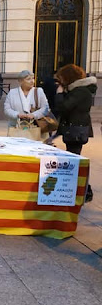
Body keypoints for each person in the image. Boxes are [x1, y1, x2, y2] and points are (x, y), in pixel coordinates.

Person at [55, 64, 96, 202]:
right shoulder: (78, 90)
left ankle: (85, 191)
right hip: (75, 130)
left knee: (75, 161)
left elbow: (64, 107)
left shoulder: (80, 92)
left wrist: (60, 94)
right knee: (74, 160)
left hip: (76, 131)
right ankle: (83, 190)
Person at [3, 70, 50, 136]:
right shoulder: (12, 93)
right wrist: (18, 115)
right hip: (16, 127)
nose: (32, 81)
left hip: (36, 127)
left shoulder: (39, 91)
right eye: (28, 79)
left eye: (33, 78)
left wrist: (34, 115)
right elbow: (7, 109)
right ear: (21, 81)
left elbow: (45, 108)